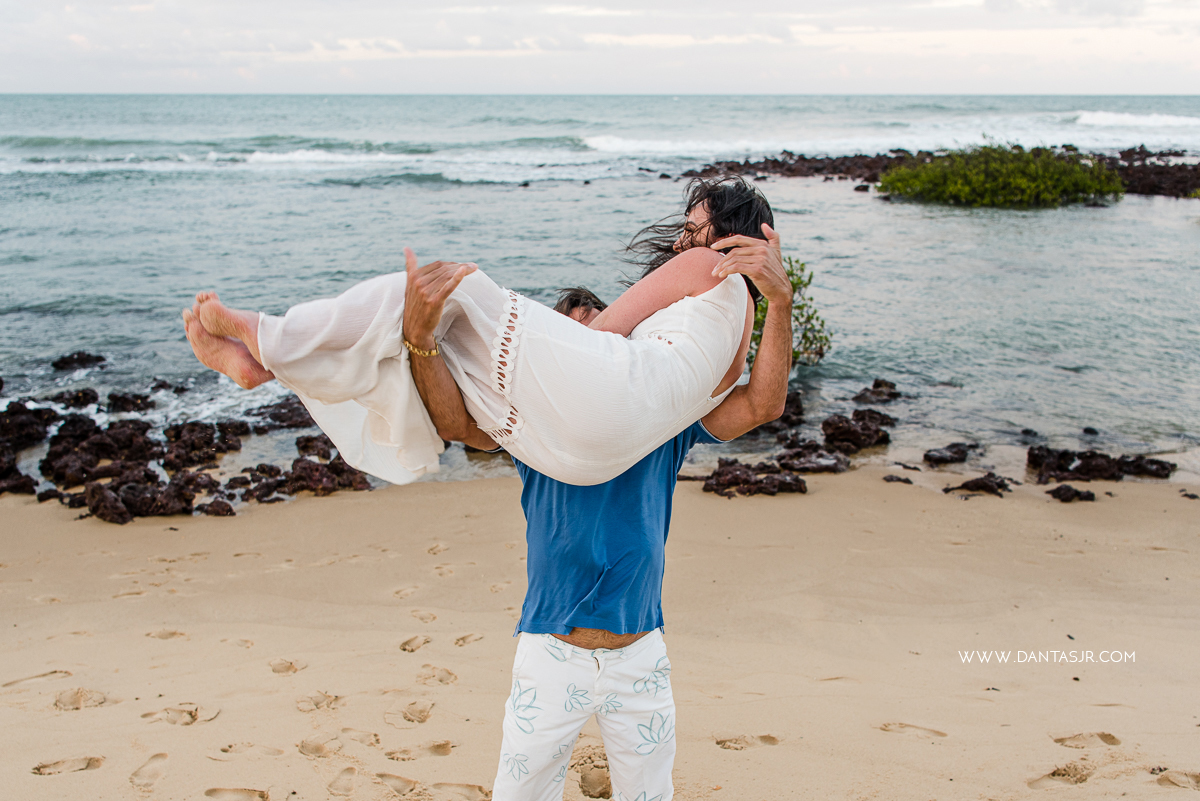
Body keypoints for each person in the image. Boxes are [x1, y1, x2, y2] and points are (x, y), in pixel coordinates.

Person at [400, 211, 793, 799]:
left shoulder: (664, 417)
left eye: (598, 339)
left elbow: (762, 404)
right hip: (551, 650)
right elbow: (456, 423)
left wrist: (776, 303)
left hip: (640, 653)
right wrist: (422, 341)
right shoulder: (536, 422)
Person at [181, 178, 772, 489]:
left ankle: (269, 343)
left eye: (692, 230)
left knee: (454, 285)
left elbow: (610, 331)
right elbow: (755, 399)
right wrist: (782, 298)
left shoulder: (709, 266)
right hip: (592, 457)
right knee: (446, 348)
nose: (677, 243)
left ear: (728, 236)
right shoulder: (736, 342)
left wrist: (570, 340)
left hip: (607, 396)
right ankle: (279, 363)